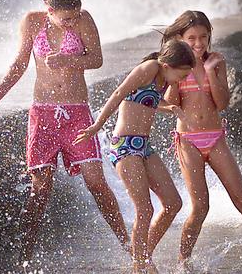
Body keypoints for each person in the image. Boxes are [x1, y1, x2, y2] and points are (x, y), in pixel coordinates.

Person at [0, 0, 128, 261]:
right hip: (43, 115)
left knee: (97, 183)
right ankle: (25, 258)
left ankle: (131, 249)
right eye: (65, 18)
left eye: (75, 16)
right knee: (40, 189)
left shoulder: (84, 19)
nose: (71, 23)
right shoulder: (32, 22)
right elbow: (20, 63)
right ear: (50, 10)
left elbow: (97, 59)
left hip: (76, 114)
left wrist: (68, 59)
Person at [162, 10, 242, 273]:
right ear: (180, 38)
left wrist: (210, 71)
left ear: (210, 37)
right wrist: (177, 72)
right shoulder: (173, 64)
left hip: (215, 137)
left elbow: (222, 103)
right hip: (188, 140)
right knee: (200, 207)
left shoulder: (217, 61)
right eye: (191, 39)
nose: (198, 44)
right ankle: (182, 264)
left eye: (203, 37)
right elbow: (169, 101)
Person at [75, 40, 195, 273]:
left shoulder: (162, 79)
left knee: (173, 203)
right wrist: (96, 125)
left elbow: (147, 99)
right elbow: (120, 93)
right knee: (145, 209)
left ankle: (142, 256)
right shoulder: (150, 68)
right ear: (167, 64)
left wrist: (169, 107)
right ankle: (141, 265)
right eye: (182, 75)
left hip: (144, 146)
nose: (182, 81)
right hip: (125, 146)